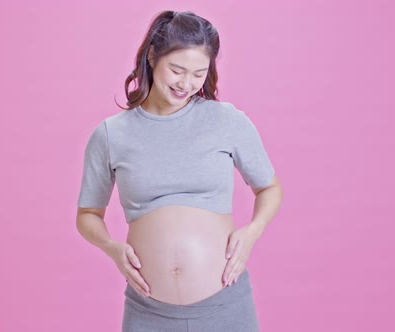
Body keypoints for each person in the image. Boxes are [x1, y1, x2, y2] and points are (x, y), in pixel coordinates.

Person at [76, 10, 283, 332]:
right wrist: (113, 249)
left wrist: (252, 231)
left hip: (225, 303)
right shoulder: (110, 135)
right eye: (177, 70)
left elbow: (269, 188)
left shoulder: (226, 120)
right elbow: (88, 213)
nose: (186, 83)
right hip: (148, 309)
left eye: (199, 73)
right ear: (153, 56)